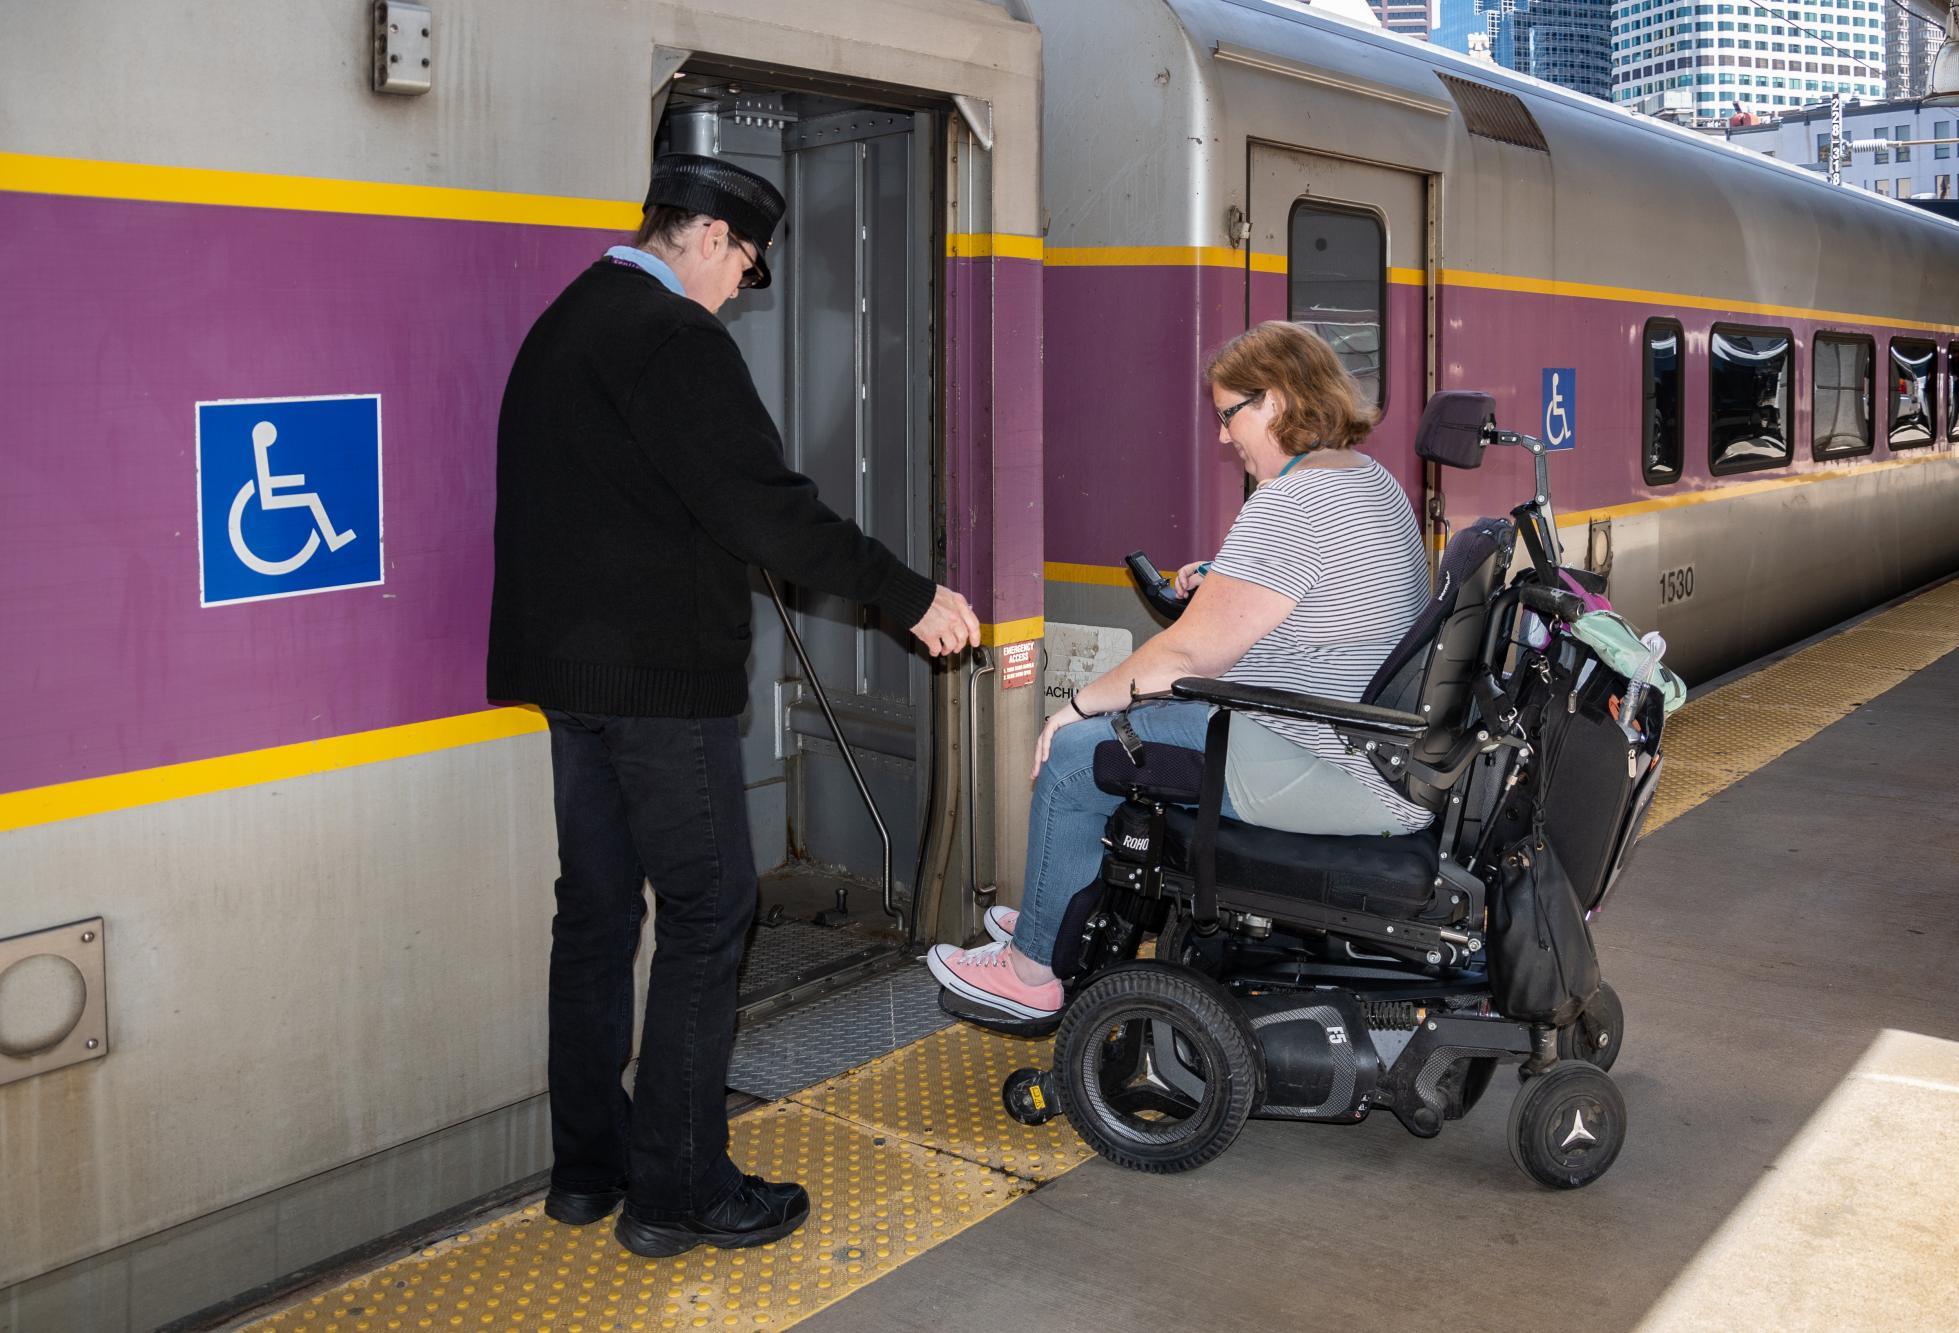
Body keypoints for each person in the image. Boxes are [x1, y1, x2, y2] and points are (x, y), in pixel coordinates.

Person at [487, 153, 980, 1259]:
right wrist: (910, 597)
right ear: (709, 237)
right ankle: (679, 1191)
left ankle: (588, 1168)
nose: (737, 291)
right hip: (660, 686)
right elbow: (766, 510)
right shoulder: (671, 336)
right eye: (746, 267)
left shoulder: (569, 317)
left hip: (573, 681)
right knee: (710, 918)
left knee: (599, 916)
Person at [927, 321, 1431, 1020]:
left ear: (1275, 403)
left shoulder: (1293, 502)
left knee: (1078, 753)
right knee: (1120, 734)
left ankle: (1032, 969)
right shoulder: (1365, 478)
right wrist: (1228, 578)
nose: (1224, 437)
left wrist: (1075, 706)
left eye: (1229, 415)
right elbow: (1317, 590)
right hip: (1361, 745)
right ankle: (1057, 910)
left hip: (1318, 758)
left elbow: (1191, 655)